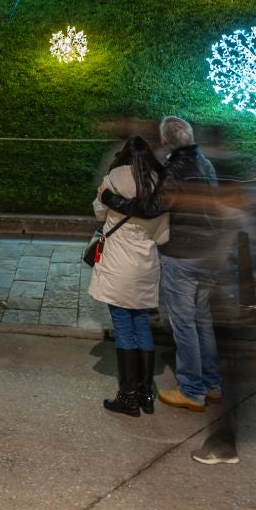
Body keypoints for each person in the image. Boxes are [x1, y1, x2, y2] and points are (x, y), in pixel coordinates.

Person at [89, 134, 170, 416]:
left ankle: (128, 395)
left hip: (118, 262)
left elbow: (99, 212)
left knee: (123, 326)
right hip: (146, 263)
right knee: (142, 325)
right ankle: (147, 394)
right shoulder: (159, 183)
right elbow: (163, 235)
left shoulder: (113, 179)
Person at [154, 116, 224, 416]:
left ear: (164, 140)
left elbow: (159, 205)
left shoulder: (174, 168)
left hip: (182, 252)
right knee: (202, 320)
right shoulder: (206, 163)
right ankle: (212, 384)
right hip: (210, 249)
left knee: (183, 322)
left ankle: (191, 390)